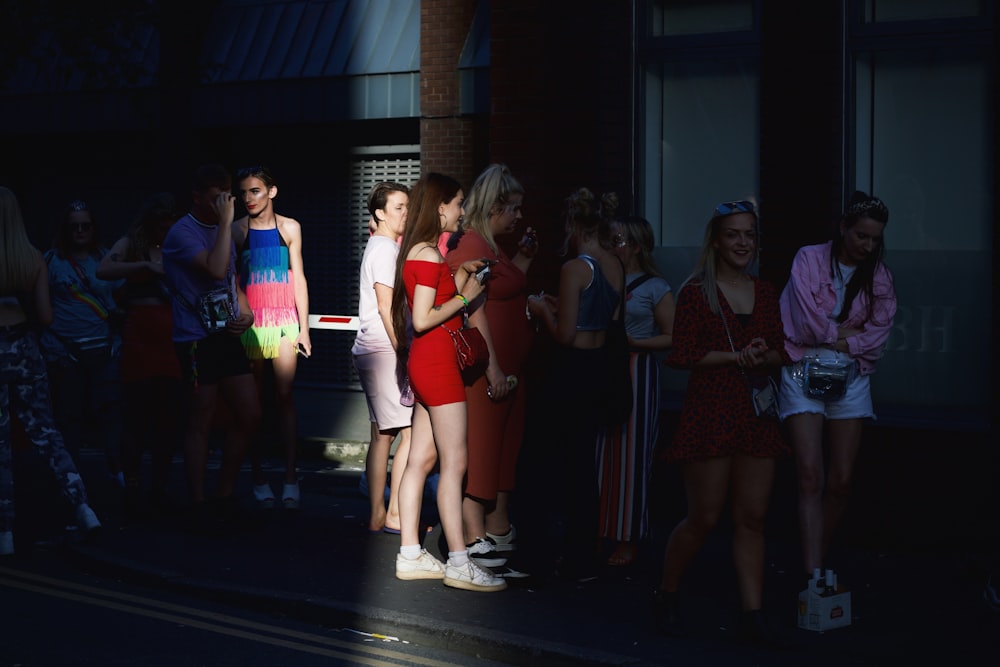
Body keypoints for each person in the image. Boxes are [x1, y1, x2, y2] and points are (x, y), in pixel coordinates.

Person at [653, 200, 788, 645]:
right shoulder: (696, 292)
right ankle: (668, 594)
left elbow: (780, 351)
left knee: (752, 517)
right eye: (733, 234)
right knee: (705, 516)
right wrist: (736, 356)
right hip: (710, 412)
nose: (743, 242)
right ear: (716, 239)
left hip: (756, 414)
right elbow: (682, 355)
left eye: (749, 234)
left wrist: (759, 355)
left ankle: (753, 613)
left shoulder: (765, 291)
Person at [389, 172, 505, 592]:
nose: (461, 212)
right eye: (457, 203)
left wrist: (460, 279)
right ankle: (459, 560)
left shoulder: (419, 252)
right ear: (441, 206)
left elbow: (430, 302)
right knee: (455, 463)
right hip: (438, 363)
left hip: (426, 362)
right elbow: (424, 319)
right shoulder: (429, 254)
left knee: (420, 459)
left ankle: (410, 553)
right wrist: (465, 294)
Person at [778, 191, 896, 580]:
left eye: (875, 238)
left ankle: (816, 564)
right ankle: (813, 575)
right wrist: (845, 333)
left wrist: (843, 339)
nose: (868, 245)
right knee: (811, 474)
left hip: (852, 373)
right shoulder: (809, 258)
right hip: (802, 368)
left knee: (842, 481)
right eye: (862, 235)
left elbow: (879, 334)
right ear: (843, 228)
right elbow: (803, 322)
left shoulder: (878, 275)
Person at [525, 187, 625, 582]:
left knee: (547, 464)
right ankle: (582, 556)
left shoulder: (574, 268)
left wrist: (538, 309)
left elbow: (565, 335)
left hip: (569, 371)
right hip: (598, 369)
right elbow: (606, 317)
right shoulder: (615, 263)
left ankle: (542, 553)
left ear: (574, 224)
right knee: (584, 466)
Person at [445, 164, 537, 575]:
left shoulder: (493, 245)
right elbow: (474, 310)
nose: (519, 217)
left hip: (509, 369)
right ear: (496, 206)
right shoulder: (472, 246)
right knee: (482, 451)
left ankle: (495, 533)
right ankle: (472, 539)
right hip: (487, 370)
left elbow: (505, 292)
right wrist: (494, 369)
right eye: (513, 209)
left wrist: (525, 261)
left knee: (503, 449)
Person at [1, 186, 101, 557]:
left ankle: (5, 532)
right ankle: (83, 507)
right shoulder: (31, 258)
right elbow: (45, 317)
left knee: (2, 446)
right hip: (25, 349)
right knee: (47, 432)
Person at [161, 163, 260, 528]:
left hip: (226, 336)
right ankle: (198, 502)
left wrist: (246, 310)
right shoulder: (182, 233)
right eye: (216, 196)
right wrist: (224, 223)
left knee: (249, 415)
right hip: (195, 338)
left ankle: (224, 493)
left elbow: (231, 277)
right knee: (200, 419)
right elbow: (215, 268)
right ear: (198, 197)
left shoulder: (222, 231)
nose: (224, 202)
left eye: (226, 195)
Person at [96, 192, 182, 518]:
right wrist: (145, 264)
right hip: (140, 341)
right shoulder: (130, 244)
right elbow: (104, 269)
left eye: (169, 227)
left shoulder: (179, 246)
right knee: (136, 418)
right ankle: (131, 489)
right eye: (160, 227)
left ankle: (158, 490)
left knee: (167, 421)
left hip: (171, 341)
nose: (165, 233)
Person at [232, 166, 311, 511]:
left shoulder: (290, 227)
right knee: (253, 404)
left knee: (284, 395)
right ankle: (259, 475)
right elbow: (231, 279)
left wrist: (304, 328)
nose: (249, 198)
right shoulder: (236, 230)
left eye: (255, 191)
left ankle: (291, 476)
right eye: (244, 192)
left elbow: (299, 278)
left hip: (283, 322)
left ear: (272, 192)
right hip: (250, 324)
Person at [597, 215, 674, 567]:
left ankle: (629, 538)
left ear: (636, 246)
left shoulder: (655, 287)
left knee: (632, 458)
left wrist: (635, 341)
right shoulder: (599, 276)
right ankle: (599, 530)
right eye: (610, 240)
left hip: (637, 370)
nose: (613, 247)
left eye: (619, 241)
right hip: (603, 370)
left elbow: (673, 336)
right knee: (601, 455)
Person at [40, 199, 125, 482]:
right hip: (67, 354)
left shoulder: (107, 257)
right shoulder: (50, 261)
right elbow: (39, 307)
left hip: (104, 349)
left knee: (112, 416)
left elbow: (123, 302)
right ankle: (72, 485)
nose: (79, 231)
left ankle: (119, 477)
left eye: (85, 225)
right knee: (69, 420)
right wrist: (53, 348)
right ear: (66, 229)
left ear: (93, 228)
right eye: (74, 226)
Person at [352, 181, 413, 533]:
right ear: (380, 213)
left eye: (407, 206)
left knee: (383, 435)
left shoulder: (380, 246)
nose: (405, 213)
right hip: (383, 350)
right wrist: (402, 349)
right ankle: (393, 514)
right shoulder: (385, 250)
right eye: (399, 207)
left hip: (373, 349)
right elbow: (386, 307)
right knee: (409, 432)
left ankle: (379, 513)